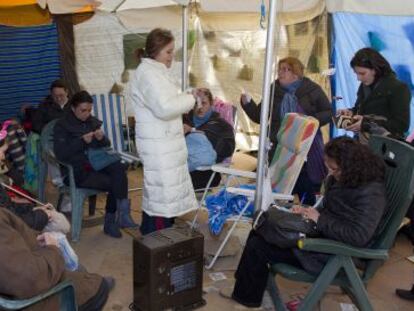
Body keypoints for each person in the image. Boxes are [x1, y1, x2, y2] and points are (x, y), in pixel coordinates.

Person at [225, 137, 386, 308]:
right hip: (325, 237)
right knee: (260, 228)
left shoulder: (371, 193)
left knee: (259, 245)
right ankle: (246, 288)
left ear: (351, 166)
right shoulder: (347, 178)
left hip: (336, 253)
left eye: (334, 169)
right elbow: (334, 211)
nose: (330, 173)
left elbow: (358, 236)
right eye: (328, 167)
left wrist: (319, 219)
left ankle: (247, 298)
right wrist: (307, 211)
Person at [128, 28, 198, 235]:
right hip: (159, 145)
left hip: (164, 143)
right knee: (163, 197)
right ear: (156, 51)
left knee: (161, 194)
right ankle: (157, 240)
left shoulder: (155, 71)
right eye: (168, 51)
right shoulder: (148, 74)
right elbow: (164, 108)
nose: (171, 56)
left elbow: (166, 101)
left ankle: (152, 236)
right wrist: (191, 99)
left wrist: (184, 95)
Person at [240, 57, 332, 204]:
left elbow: (327, 112)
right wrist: (247, 103)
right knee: (282, 185)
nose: (280, 72)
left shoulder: (312, 89)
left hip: (306, 145)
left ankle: (307, 212)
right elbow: (260, 116)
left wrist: (308, 122)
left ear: (296, 73)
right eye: (280, 69)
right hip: (280, 146)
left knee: (305, 182)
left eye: (286, 69)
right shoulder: (274, 89)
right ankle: (284, 215)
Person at [54, 90, 138, 238]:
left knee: (119, 168)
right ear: (73, 108)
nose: (87, 114)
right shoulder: (62, 125)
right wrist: (81, 142)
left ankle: (121, 215)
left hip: (97, 164)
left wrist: (101, 138)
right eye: (83, 110)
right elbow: (61, 154)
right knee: (116, 181)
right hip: (78, 172)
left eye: (89, 110)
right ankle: (113, 220)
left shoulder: (91, 121)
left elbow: (106, 145)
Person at [0, 208, 112, 311]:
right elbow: (28, 278)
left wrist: (33, 238)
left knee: (80, 272)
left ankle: (84, 277)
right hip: (27, 298)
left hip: (23, 271)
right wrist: (52, 249)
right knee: (99, 288)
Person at [338, 47, 411, 141]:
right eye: (356, 74)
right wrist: (350, 112)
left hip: (386, 148)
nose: (358, 78)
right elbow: (360, 109)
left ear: (375, 69)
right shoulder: (364, 86)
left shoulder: (399, 88)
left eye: (362, 73)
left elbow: (401, 125)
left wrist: (366, 124)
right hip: (364, 143)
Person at [183, 88, 236, 190]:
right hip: (180, 168)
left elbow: (228, 149)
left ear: (211, 104)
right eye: (196, 103)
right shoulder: (182, 120)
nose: (200, 107)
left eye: (204, 103)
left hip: (205, 172)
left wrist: (195, 132)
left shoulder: (222, 125)